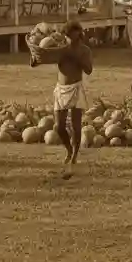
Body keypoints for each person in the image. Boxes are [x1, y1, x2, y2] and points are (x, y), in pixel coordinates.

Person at [35, 20, 94, 178]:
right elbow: (43, 59)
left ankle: (74, 154)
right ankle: (68, 149)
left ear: (79, 34)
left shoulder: (84, 50)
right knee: (59, 126)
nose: (69, 38)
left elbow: (89, 69)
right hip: (61, 89)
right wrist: (35, 57)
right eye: (67, 35)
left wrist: (74, 57)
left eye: (73, 35)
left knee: (75, 125)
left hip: (76, 88)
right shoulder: (61, 49)